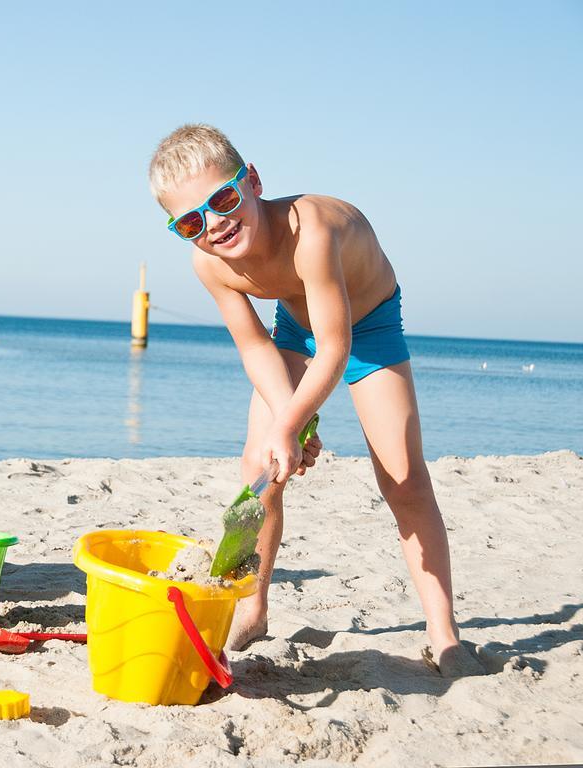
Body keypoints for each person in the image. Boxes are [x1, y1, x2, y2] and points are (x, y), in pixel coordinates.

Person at [148, 124, 480, 676]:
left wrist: (296, 418)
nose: (215, 224)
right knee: (260, 468)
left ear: (251, 181)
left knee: (404, 480)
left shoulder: (313, 230)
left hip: (367, 325)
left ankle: (444, 633)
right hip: (296, 328)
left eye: (224, 199)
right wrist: (288, 422)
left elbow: (337, 345)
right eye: (190, 222)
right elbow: (255, 348)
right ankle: (253, 607)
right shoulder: (209, 262)